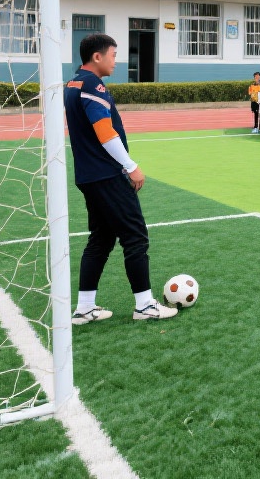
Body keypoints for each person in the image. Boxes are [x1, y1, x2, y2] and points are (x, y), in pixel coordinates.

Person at [65, 33, 177, 324]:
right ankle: (144, 306)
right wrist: (130, 165)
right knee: (135, 236)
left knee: (101, 239)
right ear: (97, 57)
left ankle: (84, 308)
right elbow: (105, 132)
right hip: (106, 174)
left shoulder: (74, 82)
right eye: (114, 55)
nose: (117, 60)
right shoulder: (92, 84)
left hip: (89, 175)